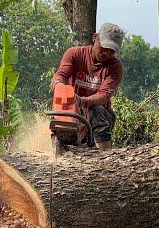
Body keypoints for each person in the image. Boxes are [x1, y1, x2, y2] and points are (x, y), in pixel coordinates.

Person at [50, 22, 125, 150]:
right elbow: (61, 75)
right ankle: (59, 148)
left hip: (101, 116)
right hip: (73, 110)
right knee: (61, 114)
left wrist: (80, 101)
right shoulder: (74, 54)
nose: (106, 53)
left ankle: (105, 154)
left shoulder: (115, 67)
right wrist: (58, 86)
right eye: (104, 47)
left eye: (111, 51)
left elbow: (104, 96)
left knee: (96, 111)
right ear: (95, 38)